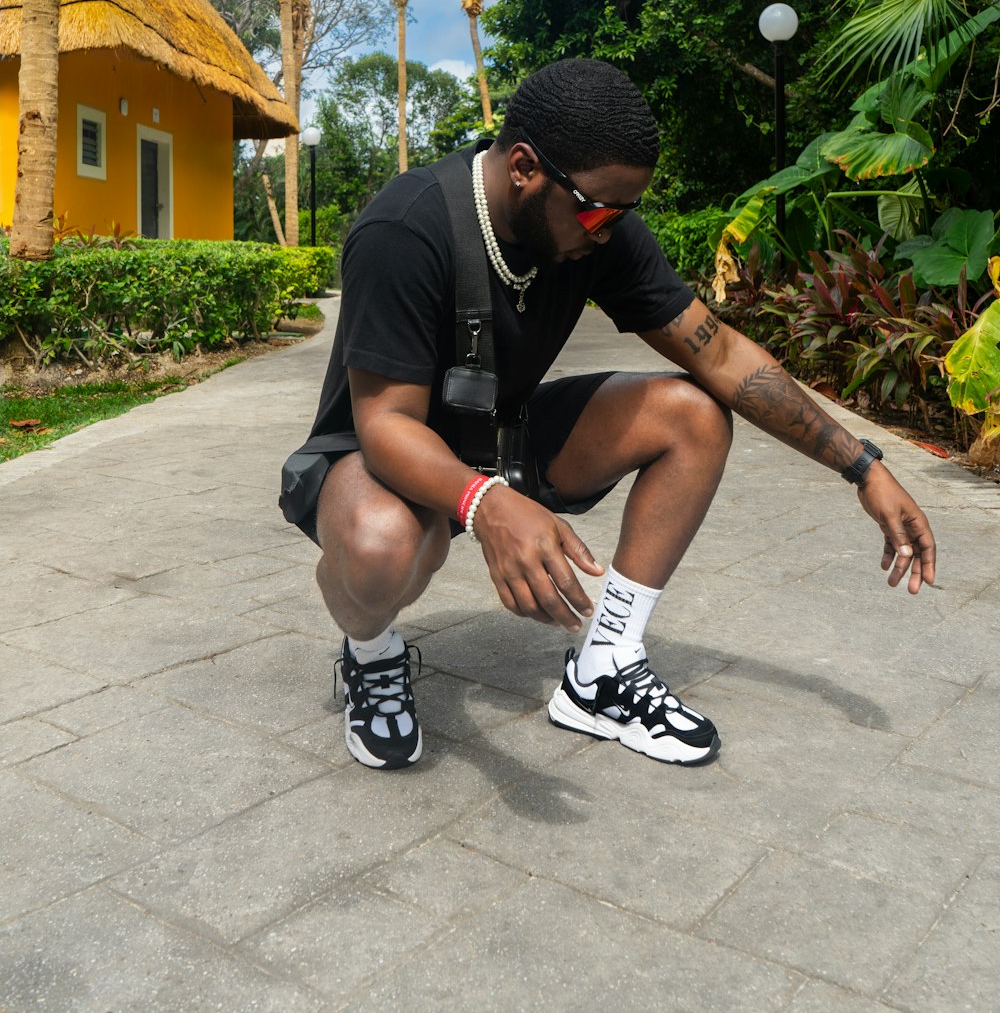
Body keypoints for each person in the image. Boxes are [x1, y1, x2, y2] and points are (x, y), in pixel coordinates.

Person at [280, 58, 936, 772]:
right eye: (597, 210)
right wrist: (486, 504)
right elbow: (385, 425)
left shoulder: (600, 226)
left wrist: (862, 467)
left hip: (504, 432)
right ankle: (371, 652)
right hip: (376, 455)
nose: (608, 232)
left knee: (694, 415)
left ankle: (603, 670)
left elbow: (720, 356)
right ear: (525, 167)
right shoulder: (405, 228)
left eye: (622, 214)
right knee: (392, 546)